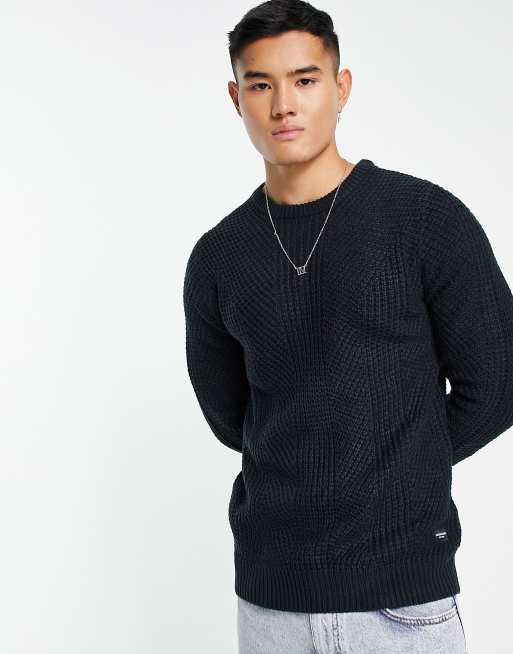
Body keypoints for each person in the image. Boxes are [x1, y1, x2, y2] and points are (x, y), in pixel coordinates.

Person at [183, 1, 513, 651]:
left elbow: (500, 382)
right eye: (260, 85)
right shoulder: (219, 257)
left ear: (341, 88)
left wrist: (395, 465)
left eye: (304, 80)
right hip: (271, 604)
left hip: (401, 603)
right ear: (236, 99)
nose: (283, 105)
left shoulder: (424, 220)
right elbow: (231, 416)